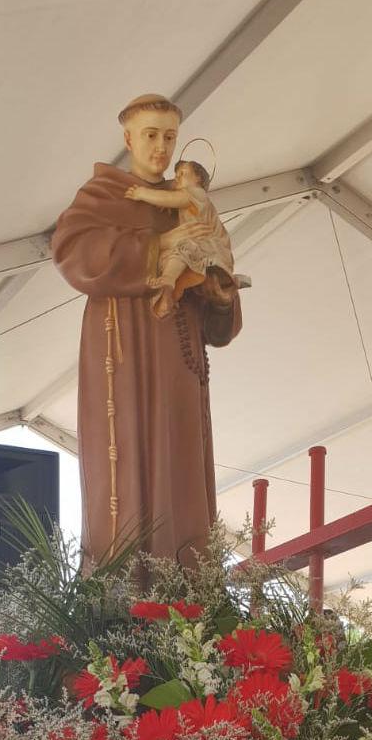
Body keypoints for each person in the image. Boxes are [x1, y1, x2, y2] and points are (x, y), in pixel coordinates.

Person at [51, 94, 242, 571]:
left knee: (182, 467)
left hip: (179, 363)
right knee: (128, 464)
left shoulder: (190, 205)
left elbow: (218, 321)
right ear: (129, 139)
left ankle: (188, 589)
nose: (161, 147)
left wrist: (220, 296)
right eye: (151, 135)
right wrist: (158, 249)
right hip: (125, 355)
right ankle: (125, 587)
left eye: (170, 137)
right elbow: (74, 252)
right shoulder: (103, 196)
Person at [125, 157, 238, 318]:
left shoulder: (197, 193)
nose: (177, 176)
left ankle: (167, 280)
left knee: (181, 249)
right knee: (172, 254)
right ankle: (169, 294)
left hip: (213, 250)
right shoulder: (192, 199)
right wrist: (169, 207)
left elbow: (173, 199)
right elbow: (177, 203)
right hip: (201, 253)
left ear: (198, 179)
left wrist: (141, 193)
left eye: (183, 173)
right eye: (176, 173)